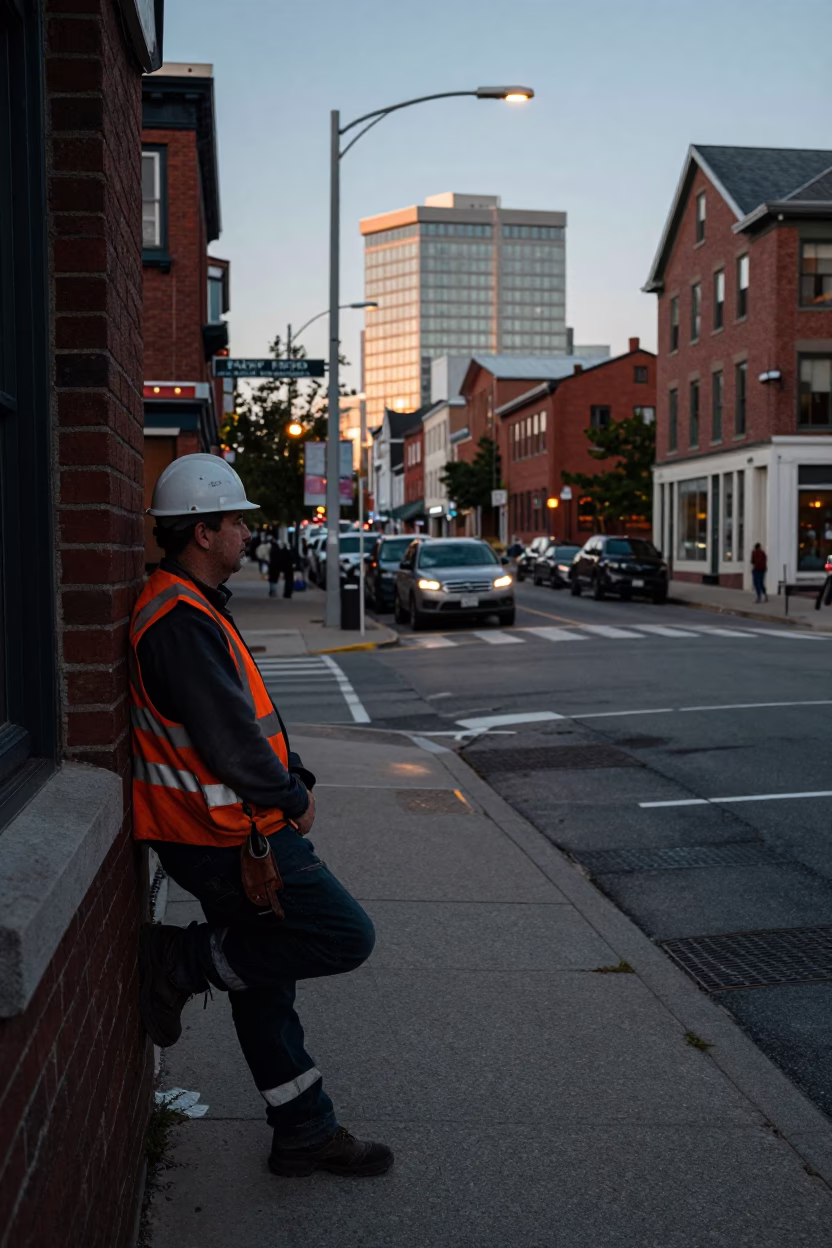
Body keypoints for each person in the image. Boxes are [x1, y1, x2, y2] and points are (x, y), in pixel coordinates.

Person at [133, 453, 392, 1178]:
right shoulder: (178, 621)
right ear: (202, 531)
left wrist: (290, 773)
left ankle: (304, 1128)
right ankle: (180, 959)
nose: (248, 531)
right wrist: (293, 797)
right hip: (226, 839)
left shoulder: (190, 605)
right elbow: (229, 742)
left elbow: (248, 721)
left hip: (225, 831)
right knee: (345, 936)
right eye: (237, 520)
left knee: (264, 979)